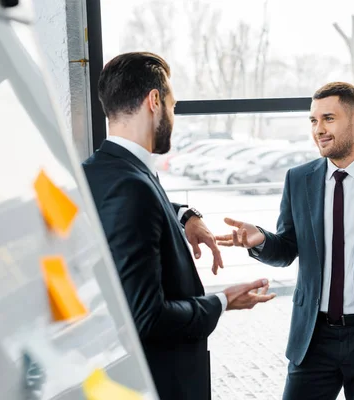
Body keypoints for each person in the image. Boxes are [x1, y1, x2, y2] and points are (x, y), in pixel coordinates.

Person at [216, 82, 354, 400]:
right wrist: (261, 240)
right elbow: (288, 249)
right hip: (314, 337)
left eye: (329, 118)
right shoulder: (299, 179)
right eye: (314, 120)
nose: (319, 129)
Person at [82, 52, 275, 400]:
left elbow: (139, 209)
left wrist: (185, 215)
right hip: (161, 383)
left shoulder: (96, 172)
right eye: (172, 105)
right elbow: (147, 317)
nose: (173, 115)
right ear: (154, 101)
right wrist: (221, 301)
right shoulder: (132, 186)